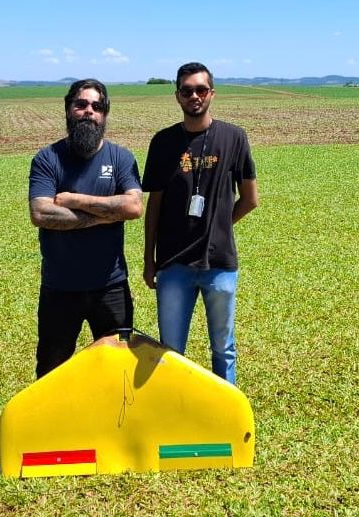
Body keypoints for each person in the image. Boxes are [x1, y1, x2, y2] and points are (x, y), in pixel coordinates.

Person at [142, 62, 259, 385]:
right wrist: (149, 260)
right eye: (186, 90)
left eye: (201, 89)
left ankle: (224, 415)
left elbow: (250, 199)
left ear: (212, 93)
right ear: (177, 96)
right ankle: (175, 413)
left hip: (219, 264)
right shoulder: (163, 142)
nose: (194, 96)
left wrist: (219, 225)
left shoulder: (234, 137)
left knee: (224, 348)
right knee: (170, 352)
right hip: (172, 264)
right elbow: (155, 204)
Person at [28, 78, 143, 378]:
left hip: (111, 286)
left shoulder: (120, 158)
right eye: (81, 105)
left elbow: (132, 207)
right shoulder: (47, 159)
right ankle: (51, 425)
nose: (88, 111)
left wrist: (74, 200)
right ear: (68, 110)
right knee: (52, 369)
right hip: (59, 287)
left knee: (119, 369)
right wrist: (104, 214)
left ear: (105, 114)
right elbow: (41, 212)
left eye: (97, 106)